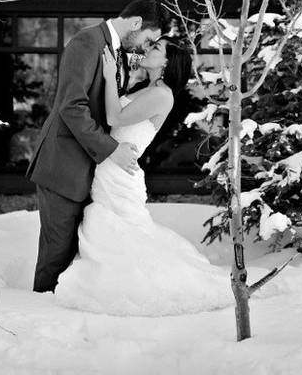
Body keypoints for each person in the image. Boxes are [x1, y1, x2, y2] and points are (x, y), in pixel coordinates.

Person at [54, 37, 230, 316]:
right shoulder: (148, 88)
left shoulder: (163, 95)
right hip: (112, 166)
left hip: (121, 174)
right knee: (118, 230)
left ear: (167, 62)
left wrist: (111, 77)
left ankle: (129, 285)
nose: (148, 50)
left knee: (115, 230)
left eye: (156, 48)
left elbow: (115, 118)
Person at [27, 0, 169, 293]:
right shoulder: (87, 42)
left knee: (76, 257)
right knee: (57, 256)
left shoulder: (115, 50)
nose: (147, 46)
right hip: (63, 166)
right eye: (149, 39)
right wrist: (111, 149)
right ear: (136, 24)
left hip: (89, 171)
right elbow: (72, 106)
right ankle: (40, 316)